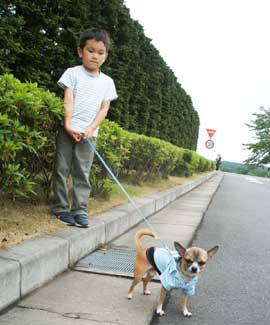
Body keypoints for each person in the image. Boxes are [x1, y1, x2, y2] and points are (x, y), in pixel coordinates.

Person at [51, 28, 118, 227]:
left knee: (82, 172)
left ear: (105, 55)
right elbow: (68, 98)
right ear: (80, 52)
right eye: (90, 50)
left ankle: (80, 210)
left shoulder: (107, 82)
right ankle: (61, 208)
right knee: (61, 168)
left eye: (100, 52)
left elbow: (104, 109)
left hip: (89, 135)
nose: (95, 56)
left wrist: (91, 128)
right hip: (68, 131)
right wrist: (68, 123)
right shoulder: (72, 73)